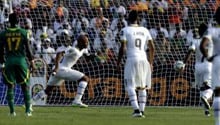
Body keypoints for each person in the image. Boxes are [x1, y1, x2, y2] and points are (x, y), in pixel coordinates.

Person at [32, 34, 91, 108]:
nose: (87, 43)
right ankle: (77, 100)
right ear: (81, 43)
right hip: (62, 69)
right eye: (86, 42)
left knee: (48, 90)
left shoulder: (82, 50)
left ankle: (30, 102)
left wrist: (91, 56)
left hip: (61, 70)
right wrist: (56, 68)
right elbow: (59, 54)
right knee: (85, 78)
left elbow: (86, 55)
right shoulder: (73, 49)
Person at [117, 10, 155, 118]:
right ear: (137, 19)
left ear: (128, 19)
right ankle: (142, 111)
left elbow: (123, 48)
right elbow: (152, 48)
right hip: (144, 59)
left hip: (132, 59)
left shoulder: (125, 30)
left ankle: (136, 110)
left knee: (130, 85)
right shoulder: (145, 30)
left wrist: (118, 63)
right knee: (142, 87)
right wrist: (151, 63)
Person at [0, 13, 35, 116]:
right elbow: (28, 49)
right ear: (18, 21)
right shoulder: (24, 32)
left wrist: (2, 63)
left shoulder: (3, 33)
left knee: (10, 86)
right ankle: (28, 111)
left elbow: (0, 50)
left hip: (9, 61)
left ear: (8, 21)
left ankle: (12, 112)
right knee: (25, 86)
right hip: (21, 61)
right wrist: (32, 61)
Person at [180, 23, 213, 116]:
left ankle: (206, 111)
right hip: (208, 66)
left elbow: (190, 51)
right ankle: (206, 98)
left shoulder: (195, 41)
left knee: (201, 88)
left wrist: (184, 64)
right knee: (211, 88)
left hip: (198, 67)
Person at [200, 7, 220, 125]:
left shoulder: (211, 31)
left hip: (217, 61)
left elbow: (202, 46)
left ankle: (218, 122)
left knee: (217, 92)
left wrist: (209, 57)